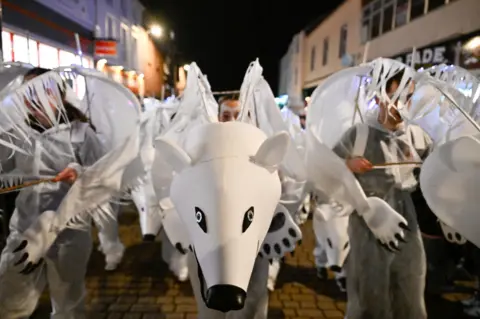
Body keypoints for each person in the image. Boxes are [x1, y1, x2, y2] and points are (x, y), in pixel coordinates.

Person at [0, 67, 106, 318]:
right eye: (27, 92)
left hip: (68, 235)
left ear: (57, 94)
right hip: (24, 231)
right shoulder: (16, 133)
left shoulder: (81, 133)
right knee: (9, 297)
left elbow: (103, 176)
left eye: (40, 90)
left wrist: (80, 173)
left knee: (68, 305)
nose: (32, 98)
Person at [334, 69, 431, 319]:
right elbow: (326, 170)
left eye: (407, 97)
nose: (402, 105)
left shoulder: (417, 135)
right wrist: (347, 164)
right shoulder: (359, 134)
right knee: (370, 292)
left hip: (406, 218)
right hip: (367, 220)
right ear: (379, 98)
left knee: (410, 286)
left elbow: (437, 170)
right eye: (396, 97)